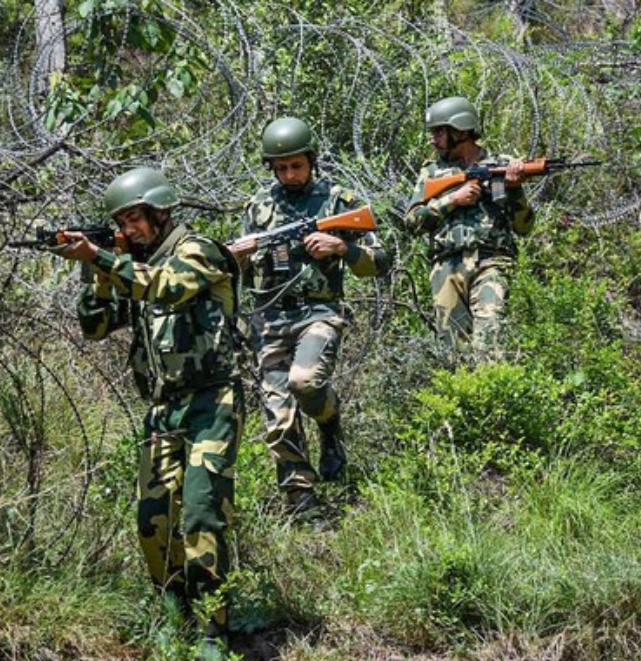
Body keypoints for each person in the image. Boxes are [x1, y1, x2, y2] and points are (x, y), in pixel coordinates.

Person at [60, 167, 242, 661]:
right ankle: (172, 611)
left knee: (202, 515)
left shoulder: (198, 252)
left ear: (161, 211)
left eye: (135, 218)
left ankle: (213, 629)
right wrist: (98, 274)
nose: (129, 229)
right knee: (152, 521)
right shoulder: (132, 266)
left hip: (212, 403)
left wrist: (100, 256)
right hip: (163, 409)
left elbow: (165, 288)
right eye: (121, 222)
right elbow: (96, 327)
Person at [229, 117, 390, 524]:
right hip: (269, 319)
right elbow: (240, 274)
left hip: (319, 312)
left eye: (296, 166)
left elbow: (380, 261)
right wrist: (238, 259)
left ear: (311, 161)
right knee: (278, 416)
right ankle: (301, 502)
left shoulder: (338, 201)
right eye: (281, 168)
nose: (289, 175)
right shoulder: (258, 207)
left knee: (305, 383)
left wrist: (341, 248)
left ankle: (329, 423)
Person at [404, 96, 535, 357]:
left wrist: (515, 189)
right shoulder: (432, 172)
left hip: (492, 261)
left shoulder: (501, 165)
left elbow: (524, 227)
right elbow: (412, 222)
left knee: (490, 336)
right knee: (454, 350)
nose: (433, 140)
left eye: (439, 132)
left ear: (460, 130)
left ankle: (493, 382)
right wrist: (452, 200)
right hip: (447, 267)